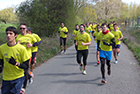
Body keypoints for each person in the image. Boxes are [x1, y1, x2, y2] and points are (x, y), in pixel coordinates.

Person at [0, 26, 30, 94]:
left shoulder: (21, 49)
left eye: (11, 34)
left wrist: (16, 63)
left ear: (15, 35)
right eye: (7, 33)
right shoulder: (2, 48)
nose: (8, 36)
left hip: (18, 78)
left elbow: (26, 66)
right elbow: (1, 61)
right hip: (6, 78)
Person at [16, 22, 37, 93]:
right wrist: (17, 44)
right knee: (20, 70)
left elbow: (37, 43)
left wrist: (32, 45)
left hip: (27, 56)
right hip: (19, 56)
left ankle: (23, 88)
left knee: (25, 71)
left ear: (26, 29)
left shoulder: (30, 36)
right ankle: (30, 76)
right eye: (21, 28)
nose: (22, 30)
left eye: (23, 28)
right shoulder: (18, 37)